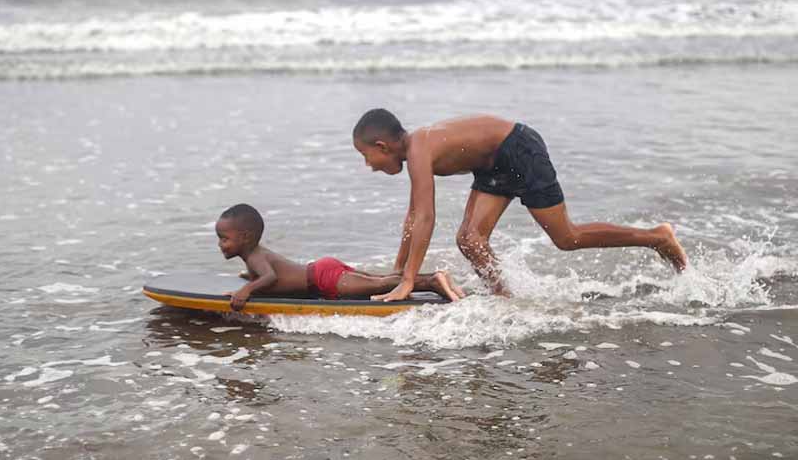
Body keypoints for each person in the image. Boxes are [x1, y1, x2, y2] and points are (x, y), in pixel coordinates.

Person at [352, 109, 688, 301]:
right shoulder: (417, 149)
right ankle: (505, 299)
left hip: (519, 150)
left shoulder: (418, 151)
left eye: (367, 157)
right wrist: (399, 271)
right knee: (469, 239)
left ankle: (658, 237)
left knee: (566, 238)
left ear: (382, 145)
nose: (369, 165)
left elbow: (426, 215)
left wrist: (409, 279)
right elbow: (413, 215)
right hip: (494, 164)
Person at [215, 203, 464, 311]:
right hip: (324, 269)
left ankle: (433, 281)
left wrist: (246, 290)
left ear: (245, 237)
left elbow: (269, 277)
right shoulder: (256, 255)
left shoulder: (256, 257)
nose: (220, 244)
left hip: (324, 280)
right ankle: (437, 280)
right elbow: (269, 274)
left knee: (379, 284)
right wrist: (249, 279)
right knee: (380, 279)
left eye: (224, 238)